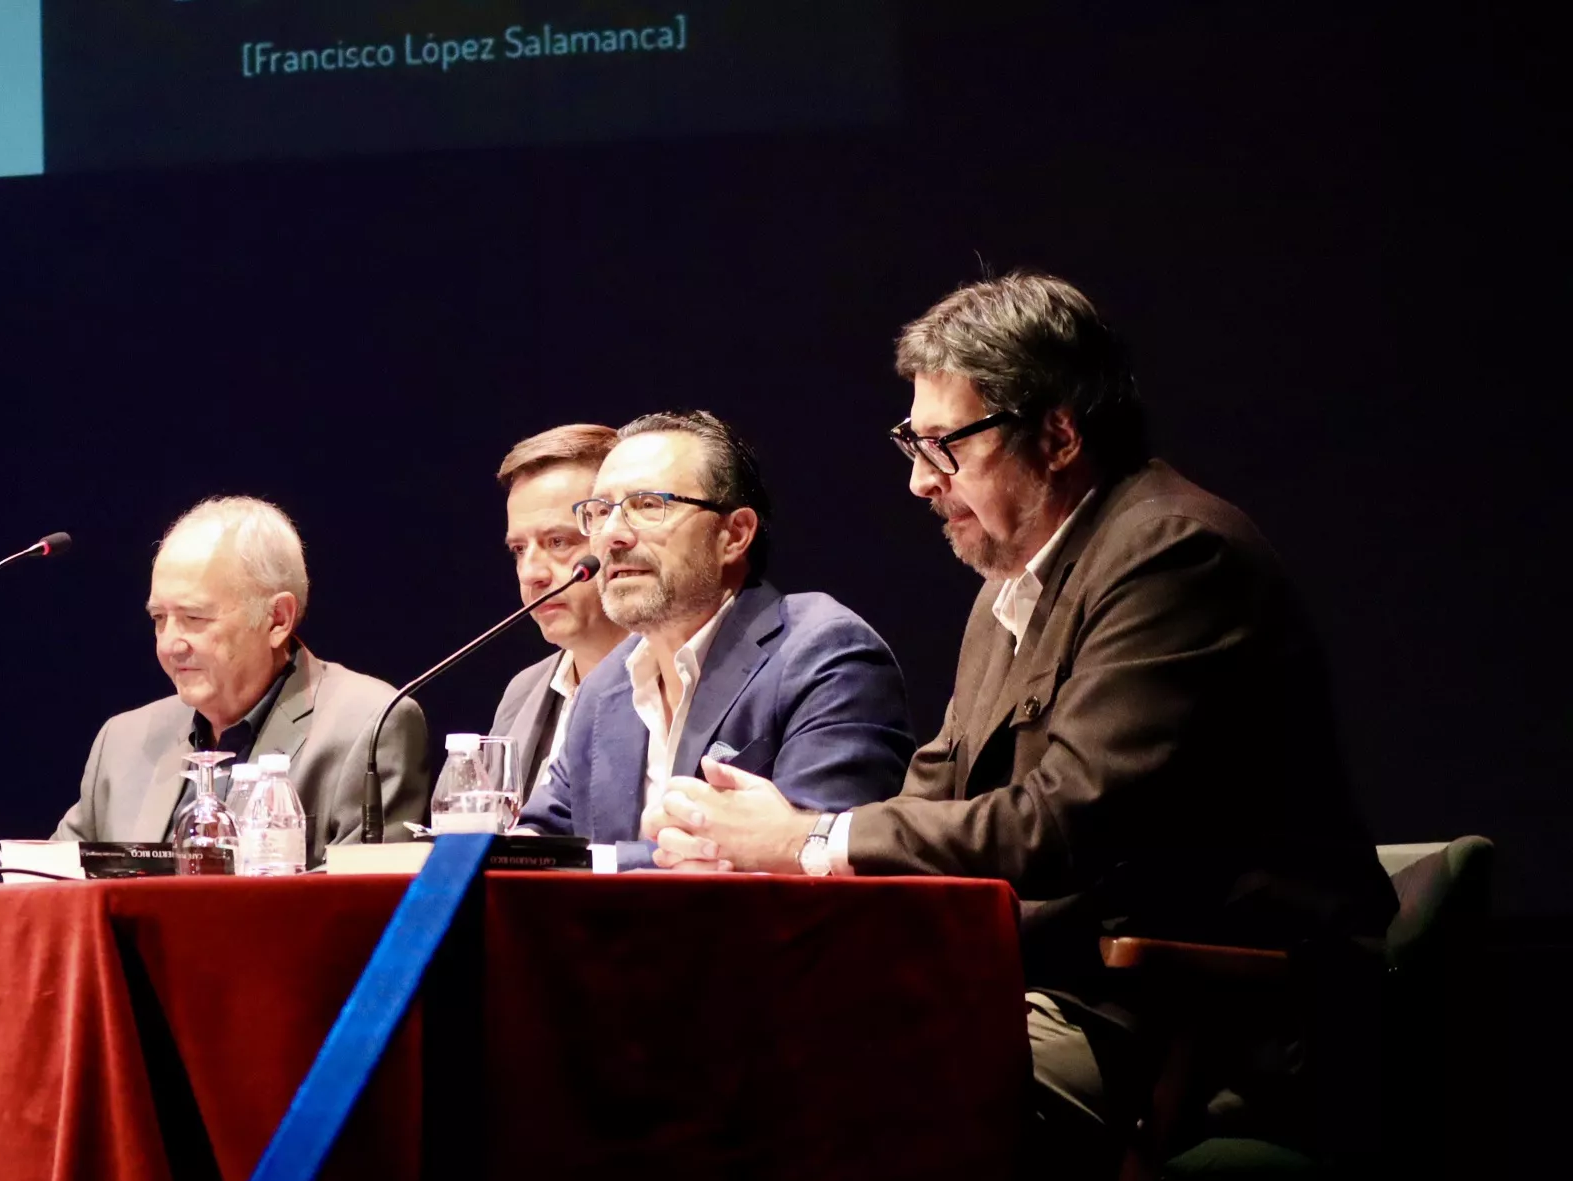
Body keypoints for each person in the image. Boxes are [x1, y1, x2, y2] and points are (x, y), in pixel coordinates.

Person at [642, 275, 1395, 1132]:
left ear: (1059, 434)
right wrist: (766, 849)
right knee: (719, 1060)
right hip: (1062, 987)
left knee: (827, 1104)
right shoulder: (1011, 590)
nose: (922, 483)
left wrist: (808, 840)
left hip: (1200, 1017)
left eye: (943, 446)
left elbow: (1064, 823)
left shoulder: (1174, 553)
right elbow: (938, 793)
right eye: (911, 445)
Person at [519, 410, 916, 869]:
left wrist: (602, 864)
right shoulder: (603, 688)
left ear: (734, 535)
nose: (612, 536)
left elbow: (814, 863)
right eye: (600, 512)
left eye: (648, 505)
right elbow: (539, 847)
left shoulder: (825, 655)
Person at [53, 495, 430, 863]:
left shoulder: (369, 729)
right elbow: (43, 886)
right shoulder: (122, 743)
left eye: (194, 618)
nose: (170, 645)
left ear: (277, 619)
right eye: (159, 620)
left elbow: (366, 906)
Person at [488, 424, 632, 800]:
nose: (532, 573)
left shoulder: (678, 683)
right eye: (519, 549)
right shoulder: (523, 693)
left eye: (558, 542)